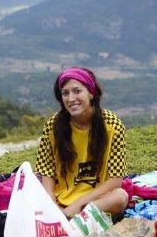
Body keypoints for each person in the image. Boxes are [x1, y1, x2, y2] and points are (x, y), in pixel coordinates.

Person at [35, 67, 129, 218]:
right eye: (65, 93)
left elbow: (115, 180)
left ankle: (69, 219)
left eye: (77, 91)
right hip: (60, 201)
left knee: (120, 197)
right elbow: (47, 173)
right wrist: (52, 206)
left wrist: (78, 205)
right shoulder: (53, 125)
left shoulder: (112, 124)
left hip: (96, 201)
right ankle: (71, 220)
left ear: (91, 93)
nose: (71, 99)